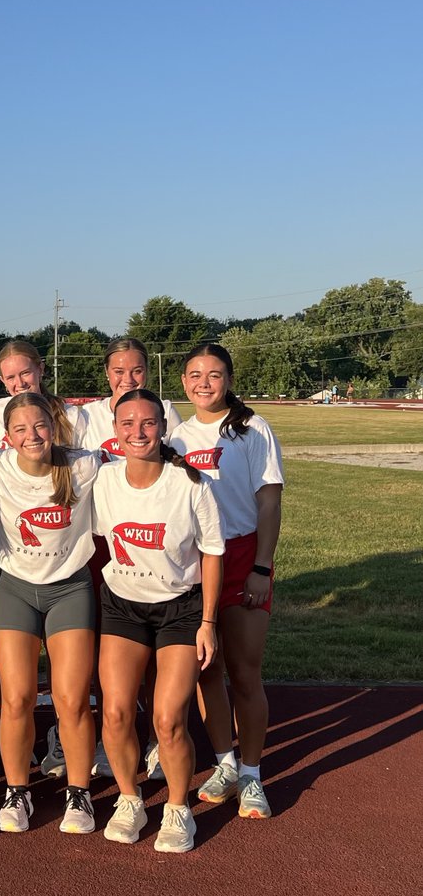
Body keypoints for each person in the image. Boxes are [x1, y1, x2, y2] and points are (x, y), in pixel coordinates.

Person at [92, 389, 224, 853]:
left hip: (180, 609)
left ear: (163, 428)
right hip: (122, 606)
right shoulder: (103, 480)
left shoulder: (191, 483)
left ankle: (178, 807)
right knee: (115, 711)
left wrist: (207, 621)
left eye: (147, 423)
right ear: (115, 432)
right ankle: (130, 799)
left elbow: (211, 553)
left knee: (168, 719)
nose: (138, 432)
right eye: (127, 424)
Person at [58, 336, 185, 783]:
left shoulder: (163, 410)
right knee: (103, 647)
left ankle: (154, 735)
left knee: (152, 654)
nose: (127, 379)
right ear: (106, 374)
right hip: (99, 544)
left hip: (153, 548)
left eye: (136, 371)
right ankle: (107, 734)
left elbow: (176, 476)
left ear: (147, 373)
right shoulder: (86, 417)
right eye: (118, 372)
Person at [169, 344, 285, 819]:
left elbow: (270, 500)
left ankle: (253, 774)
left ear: (229, 379)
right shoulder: (175, 436)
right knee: (205, 670)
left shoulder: (252, 429)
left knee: (244, 671)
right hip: (195, 562)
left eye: (214, 374)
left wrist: (262, 565)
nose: (203, 382)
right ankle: (224, 762)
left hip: (241, 556)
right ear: (182, 381)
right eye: (194, 374)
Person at [0, 394, 100, 834]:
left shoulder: (85, 466)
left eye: (41, 425)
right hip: (15, 589)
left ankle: (80, 793)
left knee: (71, 699)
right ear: (7, 436)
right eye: (22, 429)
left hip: (69, 587)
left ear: (55, 426)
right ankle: (17, 791)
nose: (33, 435)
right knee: (17, 698)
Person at [0, 339, 79, 456]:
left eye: (25, 373)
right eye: (10, 377)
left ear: (40, 369)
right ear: (3, 380)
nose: (20, 383)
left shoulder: (70, 415)